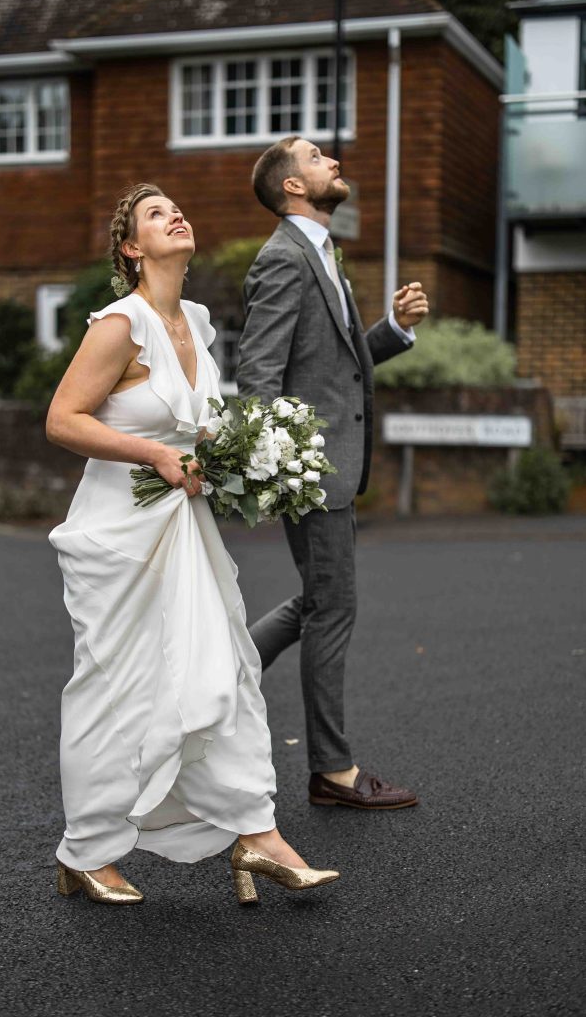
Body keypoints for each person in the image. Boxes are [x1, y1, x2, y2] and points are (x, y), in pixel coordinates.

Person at [45, 183, 339, 906]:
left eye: (177, 206)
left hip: (183, 529)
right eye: (153, 212)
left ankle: (255, 835)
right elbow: (61, 419)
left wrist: (236, 462)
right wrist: (151, 455)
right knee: (115, 691)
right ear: (131, 248)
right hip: (119, 536)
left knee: (223, 670)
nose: (174, 213)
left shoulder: (198, 322)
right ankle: (83, 854)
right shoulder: (121, 323)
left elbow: (199, 429)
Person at [237, 138, 429, 812]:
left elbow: (337, 366)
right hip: (309, 469)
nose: (334, 163)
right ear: (291, 187)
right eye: (316, 158)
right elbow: (257, 374)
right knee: (331, 607)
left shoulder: (320, 254)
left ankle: (220, 673)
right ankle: (332, 771)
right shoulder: (283, 259)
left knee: (319, 602)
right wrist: (281, 466)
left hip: (328, 465)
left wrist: (391, 329)